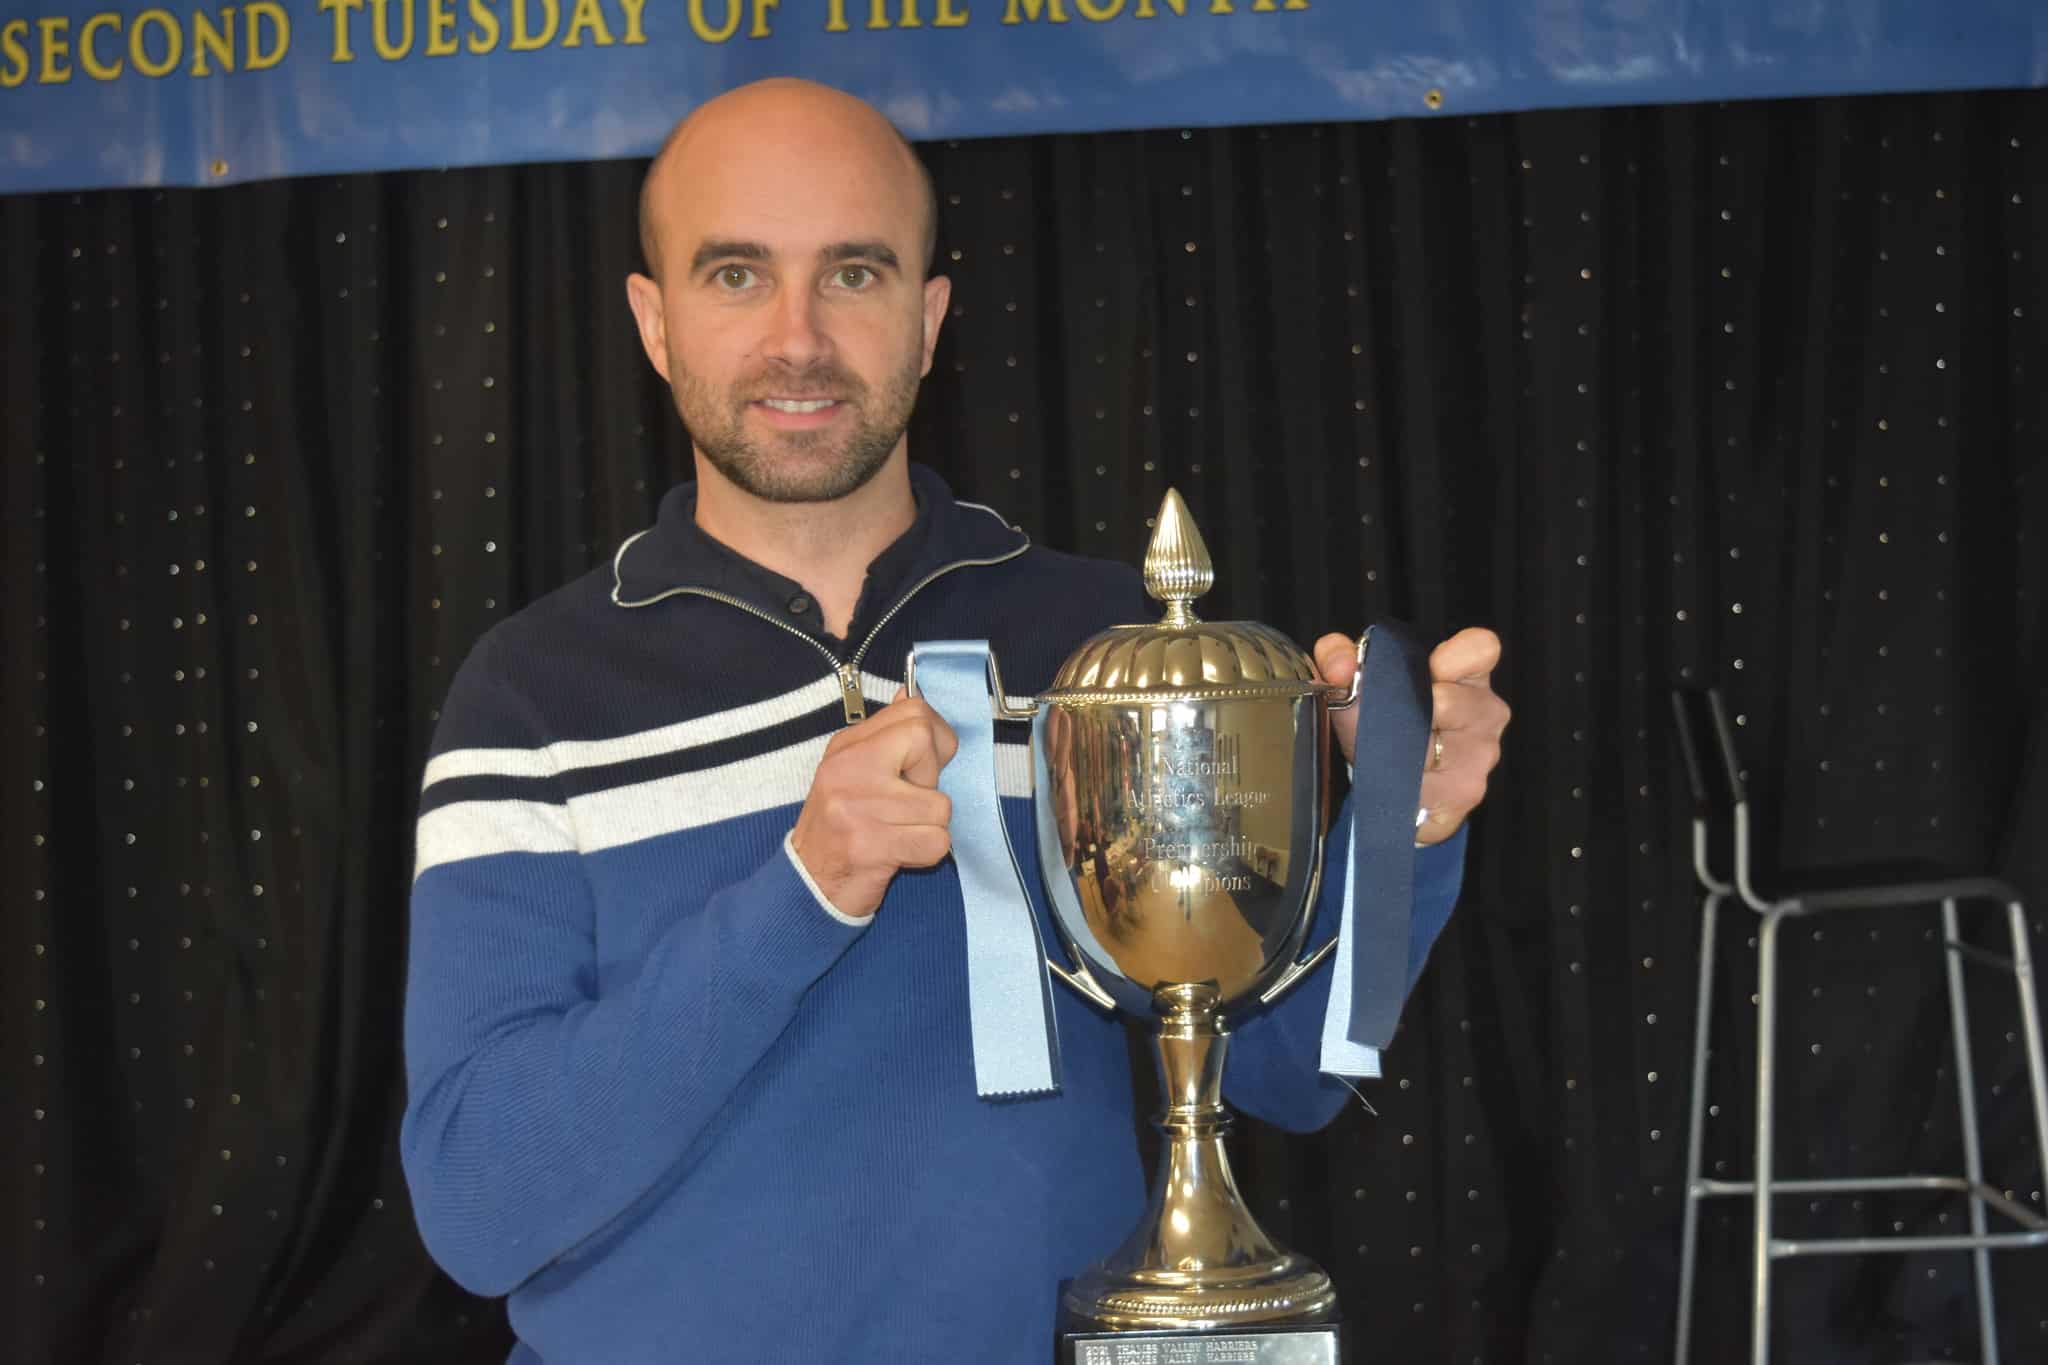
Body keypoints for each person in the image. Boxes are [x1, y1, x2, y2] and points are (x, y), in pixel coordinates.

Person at [400, 78, 1510, 1365]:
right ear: (654, 322)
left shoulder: (1103, 652)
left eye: (856, 274)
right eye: (736, 275)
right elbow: (478, 1205)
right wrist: (805, 887)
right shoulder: (531, 698)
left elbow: (1286, 1075)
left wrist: (1404, 818)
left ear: (929, 319)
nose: (799, 337)